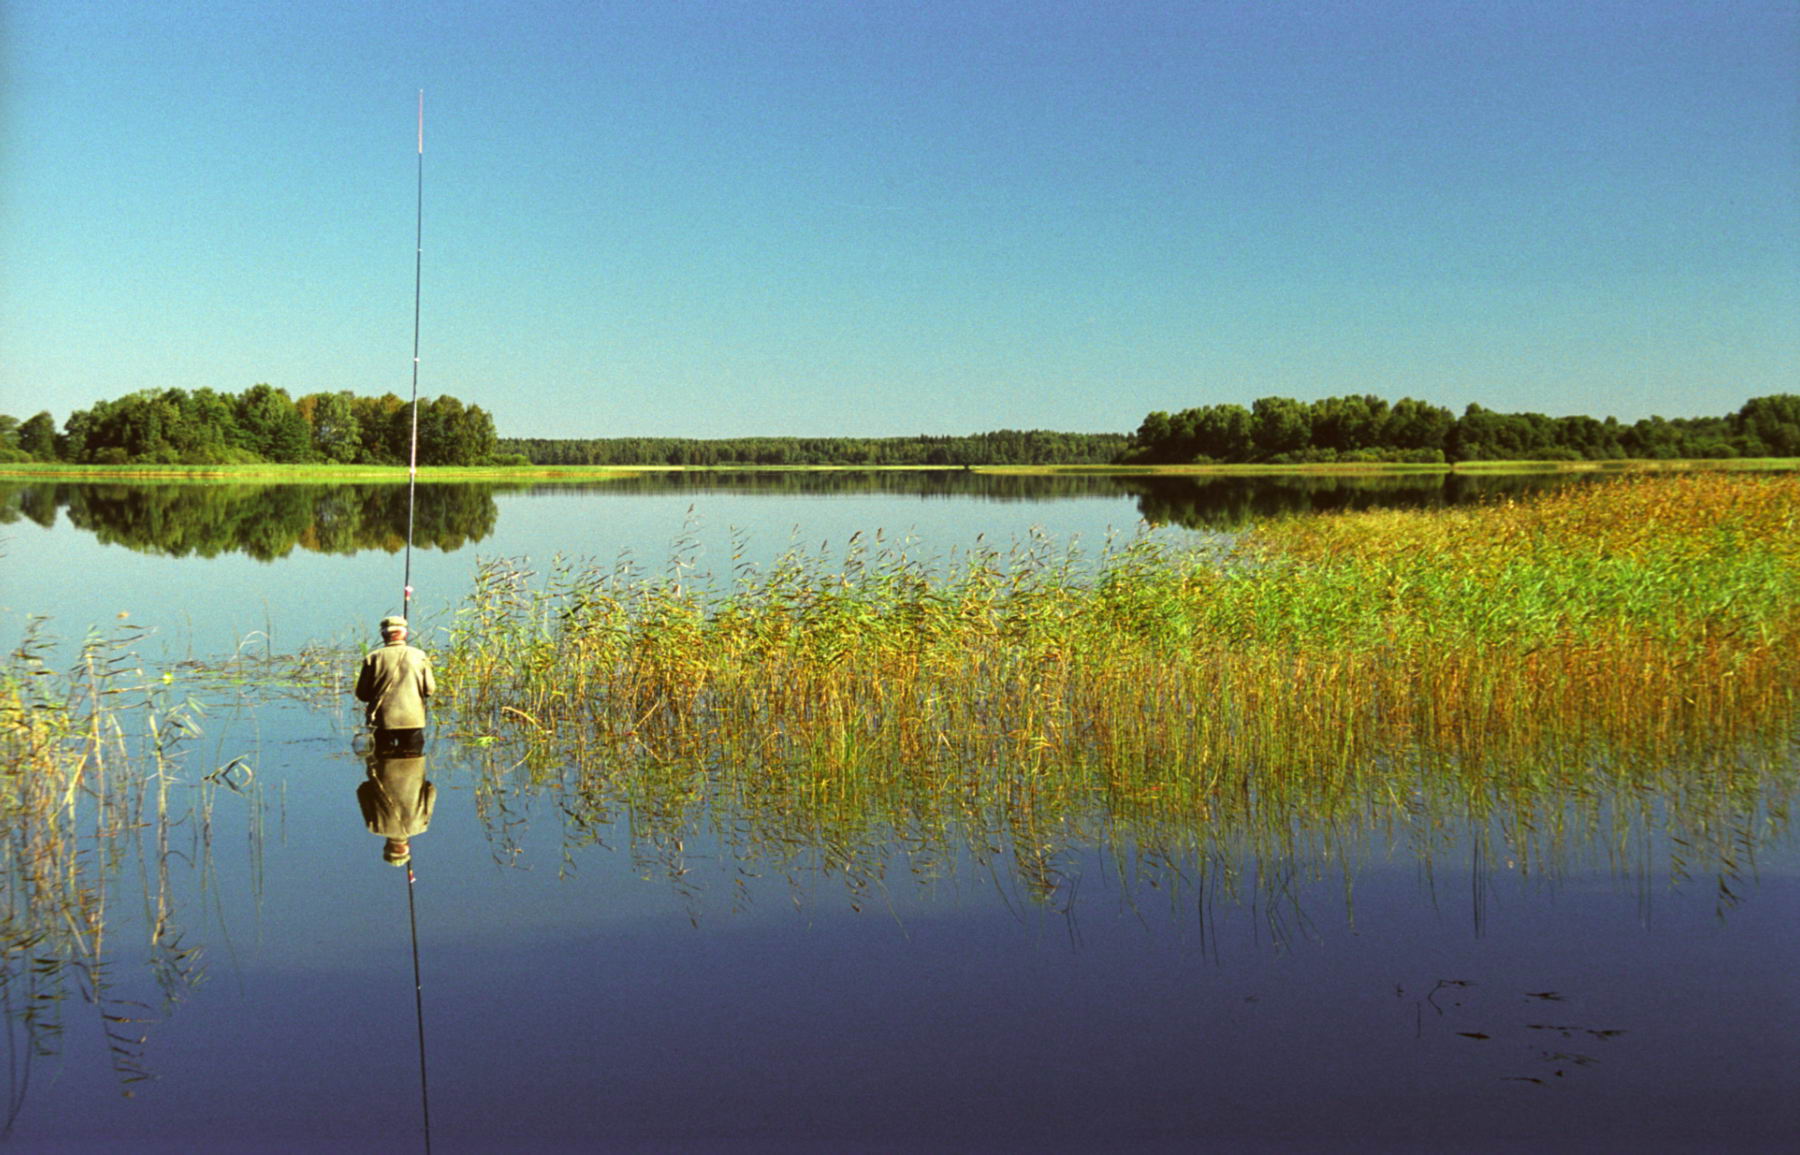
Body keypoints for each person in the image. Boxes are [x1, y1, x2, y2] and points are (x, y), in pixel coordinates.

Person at [354, 615, 435, 753]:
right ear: (405, 634)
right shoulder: (419, 655)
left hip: (382, 721)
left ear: (383, 635)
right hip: (412, 720)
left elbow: (362, 694)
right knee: (412, 767)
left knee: (382, 763)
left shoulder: (372, 658)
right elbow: (429, 690)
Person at [357, 746, 434, 866]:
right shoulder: (374, 828)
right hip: (382, 765)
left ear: (407, 848)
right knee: (382, 730)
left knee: (412, 729)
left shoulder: (421, 827)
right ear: (386, 846)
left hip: (413, 763)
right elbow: (362, 791)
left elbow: (431, 790)